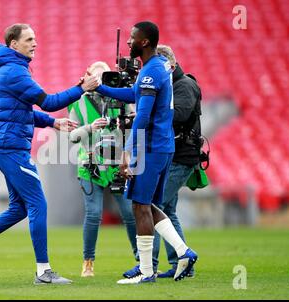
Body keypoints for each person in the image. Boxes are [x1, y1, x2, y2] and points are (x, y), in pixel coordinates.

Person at [0, 23, 99, 285]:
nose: (35, 43)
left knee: (19, 209)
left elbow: (21, 111)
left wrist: (52, 123)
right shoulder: (15, 72)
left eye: (35, 38)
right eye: (29, 39)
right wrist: (82, 87)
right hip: (11, 148)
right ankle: (43, 272)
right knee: (38, 204)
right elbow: (49, 101)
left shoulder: (12, 69)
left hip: (7, 145)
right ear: (13, 44)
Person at [94, 21, 198, 284]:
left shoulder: (151, 71)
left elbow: (142, 115)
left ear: (145, 42)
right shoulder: (157, 66)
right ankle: (184, 252)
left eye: (132, 37)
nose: (128, 42)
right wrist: (100, 88)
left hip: (151, 147)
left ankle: (146, 272)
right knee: (149, 205)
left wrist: (128, 152)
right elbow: (134, 94)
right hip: (162, 146)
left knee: (140, 205)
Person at [122, 45, 202, 279]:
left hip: (178, 154)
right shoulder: (170, 82)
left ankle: (150, 265)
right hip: (171, 152)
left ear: (171, 65)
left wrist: (148, 107)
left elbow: (179, 114)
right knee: (164, 208)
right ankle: (180, 259)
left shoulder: (185, 84)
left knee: (146, 205)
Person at [68, 61, 138, 277]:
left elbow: (136, 124)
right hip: (90, 166)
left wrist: (127, 119)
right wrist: (90, 127)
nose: (99, 84)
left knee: (129, 213)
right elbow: (72, 137)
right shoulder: (77, 102)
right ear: (87, 77)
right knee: (93, 213)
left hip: (119, 165)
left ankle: (142, 260)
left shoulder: (121, 97)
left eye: (103, 79)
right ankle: (88, 262)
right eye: (95, 79)